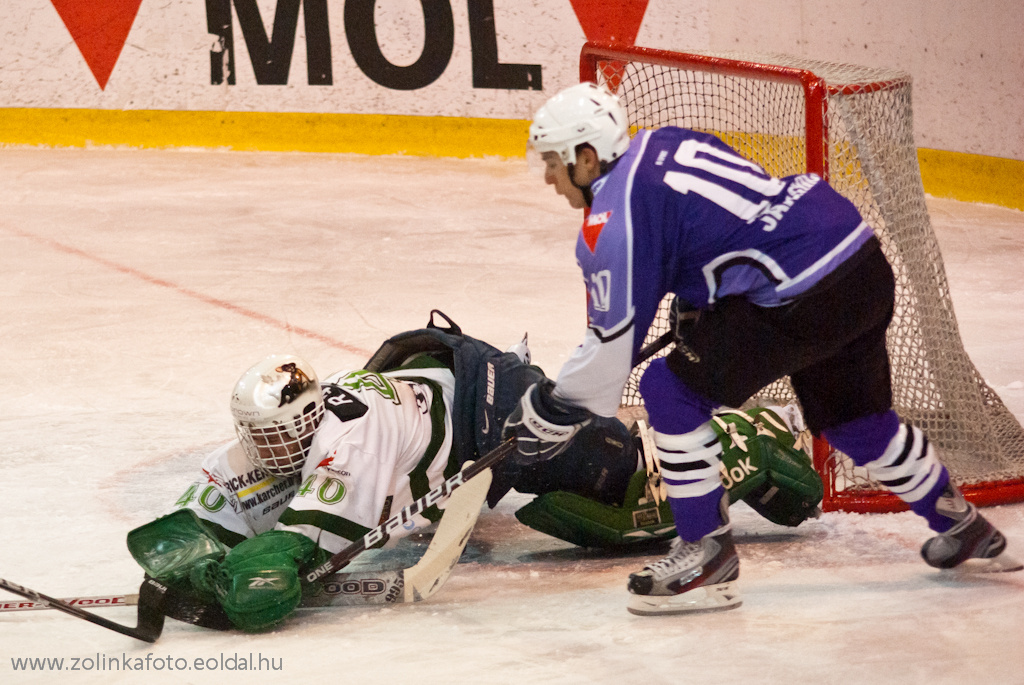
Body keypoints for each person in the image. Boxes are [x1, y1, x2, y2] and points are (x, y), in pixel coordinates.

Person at [502, 82, 1021, 616]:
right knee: (857, 424)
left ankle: (706, 557)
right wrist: (701, 299)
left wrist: (552, 409)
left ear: (586, 158)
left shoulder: (614, 219)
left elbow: (610, 349)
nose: (548, 177)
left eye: (553, 162)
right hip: (857, 259)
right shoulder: (664, 141)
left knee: (668, 392)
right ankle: (964, 525)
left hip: (800, 292)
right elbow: (725, 225)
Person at [125, 311, 673, 632]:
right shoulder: (290, 430)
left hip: (487, 413)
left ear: (305, 421)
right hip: (429, 378)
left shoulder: (349, 445)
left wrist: (223, 578)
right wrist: (193, 554)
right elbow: (186, 524)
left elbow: (278, 570)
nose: (260, 448)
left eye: (272, 435)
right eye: (255, 435)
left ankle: (731, 451)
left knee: (622, 494)